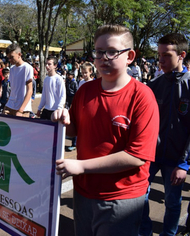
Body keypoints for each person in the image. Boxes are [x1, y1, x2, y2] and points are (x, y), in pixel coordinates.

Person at [51, 24, 159, 236]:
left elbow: (137, 156)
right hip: (83, 193)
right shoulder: (86, 90)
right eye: (99, 52)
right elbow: (74, 130)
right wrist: (63, 118)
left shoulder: (143, 97)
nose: (103, 58)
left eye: (111, 52)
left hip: (121, 198)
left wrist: (82, 166)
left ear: (130, 56)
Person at [139, 33, 190, 236]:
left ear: (181, 55)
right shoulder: (154, 85)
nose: (160, 60)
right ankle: (145, 232)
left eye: (167, 55)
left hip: (176, 160)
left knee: (172, 202)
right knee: (139, 197)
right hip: (151, 155)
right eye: (159, 55)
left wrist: (183, 164)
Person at [3, 44, 33, 117]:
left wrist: (20, 110)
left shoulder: (27, 68)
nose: (10, 60)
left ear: (19, 54)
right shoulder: (12, 69)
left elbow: (30, 90)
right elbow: (12, 89)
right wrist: (7, 104)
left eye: (11, 57)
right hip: (10, 106)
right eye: (8, 58)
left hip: (23, 109)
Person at [37, 56, 66, 120]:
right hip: (46, 110)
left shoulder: (59, 79)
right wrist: (39, 108)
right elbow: (44, 95)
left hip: (55, 110)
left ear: (55, 65)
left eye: (49, 64)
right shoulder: (46, 79)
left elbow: (62, 96)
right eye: (46, 64)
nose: (47, 66)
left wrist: (59, 109)